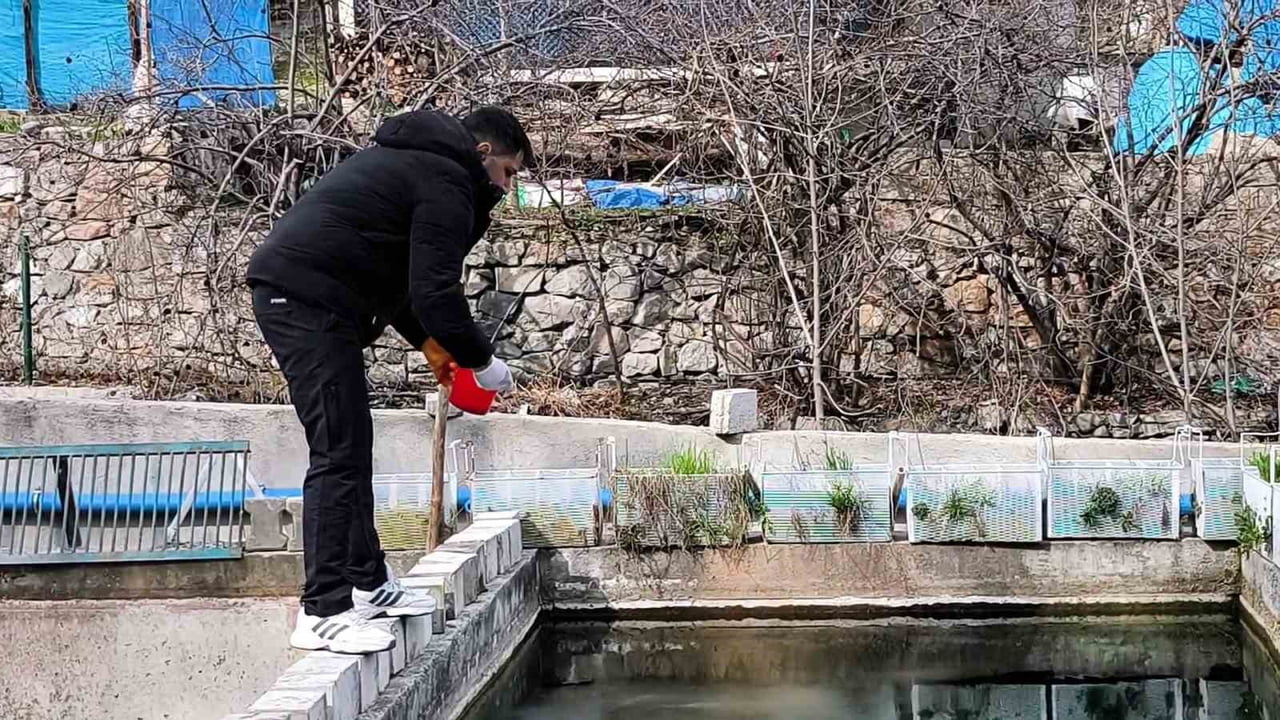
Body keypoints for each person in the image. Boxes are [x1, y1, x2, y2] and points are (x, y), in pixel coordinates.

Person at [246, 106, 529, 654]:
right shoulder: (447, 178)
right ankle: (323, 610)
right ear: (482, 154)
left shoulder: (415, 166)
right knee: (337, 453)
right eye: (508, 172)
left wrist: (435, 350)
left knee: (352, 449)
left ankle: (370, 584)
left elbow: (400, 284)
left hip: (314, 299)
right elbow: (437, 294)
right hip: (303, 301)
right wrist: (482, 362)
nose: (507, 187)